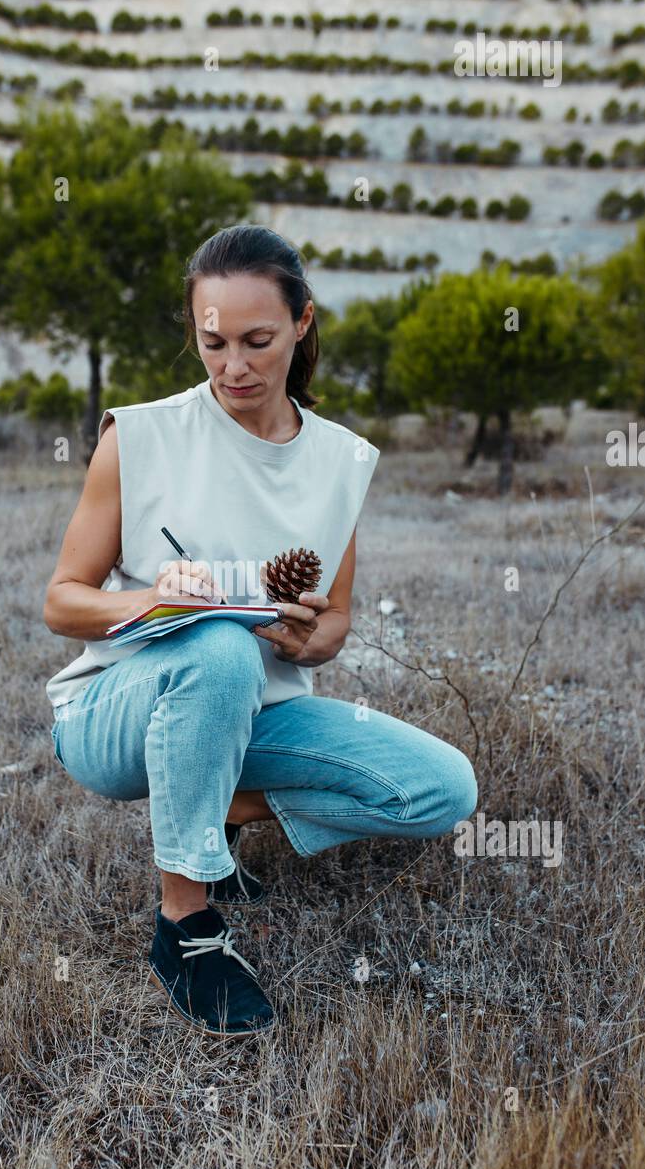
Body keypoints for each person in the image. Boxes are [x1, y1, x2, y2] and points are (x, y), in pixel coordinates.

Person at [43, 223, 477, 1039]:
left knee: (443, 789)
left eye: (257, 341)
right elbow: (63, 600)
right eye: (212, 343)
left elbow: (335, 622)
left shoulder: (341, 463)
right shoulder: (137, 437)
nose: (232, 367)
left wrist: (311, 639)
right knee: (213, 646)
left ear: (302, 324)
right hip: (113, 713)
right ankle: (187, 929)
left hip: (254, 713)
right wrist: (151, 600)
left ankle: (215, 808)